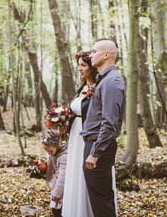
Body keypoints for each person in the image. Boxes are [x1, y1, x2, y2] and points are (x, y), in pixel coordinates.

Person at [81, 39, 125, 217]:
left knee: (102, 203)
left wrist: (96, 152)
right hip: (93, 143)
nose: (90, 55)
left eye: (94, 51)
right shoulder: (103, 80)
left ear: (106, 54)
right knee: (98, 201)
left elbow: (110, 122)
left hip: (99, 147)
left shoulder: (111, 81)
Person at [62, 50, 97, 217]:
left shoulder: (98, 87)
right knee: (75, 172)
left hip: (87, 136)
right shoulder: (81, 87)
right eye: (79, 66)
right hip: (75, 135)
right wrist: (64, 122)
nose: (80, 69)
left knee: (86, 175)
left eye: (83, 65)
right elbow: (75, 112)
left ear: (92, 67)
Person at [42, 130, 68, 217]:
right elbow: (50, 168)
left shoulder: (64, 156)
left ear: (56, 145)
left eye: (50, 151)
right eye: (47, 151)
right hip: (56, 185)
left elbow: (62, 178)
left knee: (60, 209)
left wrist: (56, 194)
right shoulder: (53, 154)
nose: (49, 153)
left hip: (63, 189)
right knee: (55, 208)